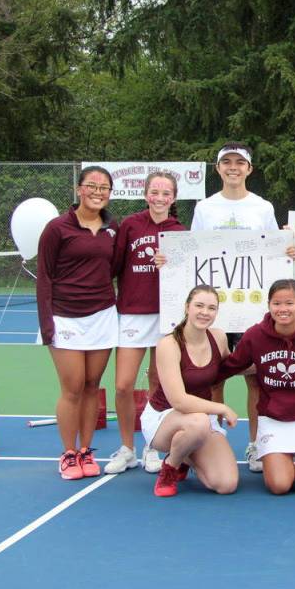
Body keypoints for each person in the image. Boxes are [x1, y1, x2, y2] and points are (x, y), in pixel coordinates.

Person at [191, 141, 280, 473]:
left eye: (239, 162)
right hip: (213, 314)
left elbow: (274, 253)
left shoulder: (263, 208)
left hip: (250, 310)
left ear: (249, 169)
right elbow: (194, 254)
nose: (233, 167)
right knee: (213, 380)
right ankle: (214, 441)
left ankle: (256, 444)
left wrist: (289, 251)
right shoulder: (204, 209)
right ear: (218, 169)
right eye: (226, 162)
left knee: (256, 381)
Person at [36, 165, 120, 480]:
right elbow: (44, 277)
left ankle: (86, 451)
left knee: (91, 387)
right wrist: (47, 325)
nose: (98, 192)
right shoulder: (57, 228)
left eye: (104, 188)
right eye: (92, 186)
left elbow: (114, 269)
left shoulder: (114, 229)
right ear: (79, 190)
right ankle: (68, 454)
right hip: (64, 317)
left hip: (102, 316)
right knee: (71, 388)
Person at [105, 172, 185, 475]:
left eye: (166, 193)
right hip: (132, 312)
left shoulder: (180, 230)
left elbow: (188, 274)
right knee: (124, 384)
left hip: (166, 316)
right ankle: (127, 448)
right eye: (155, 191)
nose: (160, 198)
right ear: (146, 193)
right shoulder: (130, 225)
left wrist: (173, 262)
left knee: (157, 384)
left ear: (174, 198)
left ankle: (152, 445)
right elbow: (113, 266)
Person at [219, 279, 295, 495]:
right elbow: (231, 365)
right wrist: (194, 372)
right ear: (269, 305)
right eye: (276, 303)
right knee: (279, 486)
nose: (283, 309)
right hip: (272, 418)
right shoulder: (255, 335)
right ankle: (283, 458)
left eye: (289, 303)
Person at [141, 285, 239, 497]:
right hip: (165, 418)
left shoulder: (218, 337)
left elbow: (232, 366)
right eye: (199, 306)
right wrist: (221, 408)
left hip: (201, 421)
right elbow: (179, 401)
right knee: (198, 423)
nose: (205, 312)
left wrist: (268, 357)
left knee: (226, 484)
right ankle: (170, 465)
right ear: (187, 307)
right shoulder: (169, 344)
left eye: (212, 308)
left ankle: (187, 454)